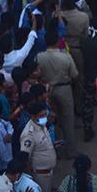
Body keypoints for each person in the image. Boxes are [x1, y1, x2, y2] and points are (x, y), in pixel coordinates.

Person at [36, 28, 78, 157]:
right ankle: (70, 151)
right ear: (57, 41)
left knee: (51, 121)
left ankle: (56, 150)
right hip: (64, 89)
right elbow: (75, 74)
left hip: (46, 90)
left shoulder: (39, 57)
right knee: (68, 120)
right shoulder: (65, 56)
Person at [19, 102, 57, 192]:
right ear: (32, 116)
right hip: (39, 175)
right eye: (41, 115)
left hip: (48, 172)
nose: (44, 117)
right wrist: (31, 178)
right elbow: (24, 157)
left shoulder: (40, 124)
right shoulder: (29, 134)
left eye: (45, 114)